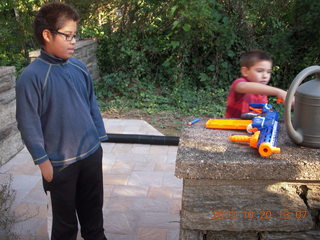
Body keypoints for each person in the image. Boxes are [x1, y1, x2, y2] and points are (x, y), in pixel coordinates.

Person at [15, 2, 108, 240]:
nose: (73, 41)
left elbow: (91, 104)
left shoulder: (78, 67)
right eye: (68, 35)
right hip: (59, 165)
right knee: (65, 229)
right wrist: (44, 164)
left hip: (90, 157)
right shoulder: (32, 77)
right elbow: (28, 124)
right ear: (47, 35)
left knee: (94, 222)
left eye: (75, 35)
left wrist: (98, 141)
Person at [225, 49, 287, 118]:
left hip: (251, 128)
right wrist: (278, 92)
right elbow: (243, 87)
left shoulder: (263, 93)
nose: (265, 76)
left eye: (268, 72)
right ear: (245, 71)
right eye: (259, 71)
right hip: (232, 127)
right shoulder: (240, 82)